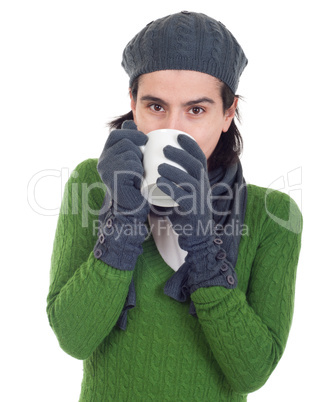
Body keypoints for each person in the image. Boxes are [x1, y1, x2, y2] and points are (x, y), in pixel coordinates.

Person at [46, 11, 303, 401]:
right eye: (156, 107)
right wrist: (124, 219)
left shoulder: (271, 216)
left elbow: (251, 372)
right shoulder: (93, 184)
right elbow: (74, 339)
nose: (175, 128)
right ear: (133, 103)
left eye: (196, 110)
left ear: (228, 112)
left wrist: (203, 243)